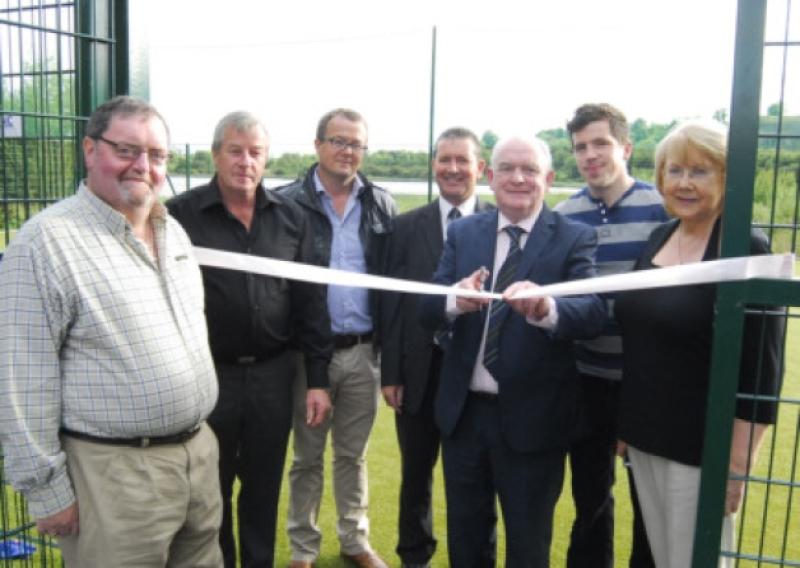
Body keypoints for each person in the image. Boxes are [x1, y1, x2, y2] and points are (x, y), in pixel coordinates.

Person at [0, 95, 222, 567]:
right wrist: (46, 492)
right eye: (126, 150)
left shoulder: (174, 232)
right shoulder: (45, 243)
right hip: (114, 477)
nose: (143, 166)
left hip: (197, 462)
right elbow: (19, 380)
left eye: (157, 155)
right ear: (89, 149)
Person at [419, 135, 606, 567]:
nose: (518, 178)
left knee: (528, 545)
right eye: (507, 168)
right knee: (466, 543)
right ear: (490, 175)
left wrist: (547, 309)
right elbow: (426, 307)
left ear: (550, 179)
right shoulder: (464, 232)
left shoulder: (574, 238)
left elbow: (593, 312)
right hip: (464, 418)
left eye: (530, 170)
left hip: (534, 423)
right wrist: (453, 300)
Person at [166, 111, 332, 568]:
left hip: (272, 376)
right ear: (216, 154)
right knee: (209, 490)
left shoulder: (292, 219)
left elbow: (311, 304)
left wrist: (318, 379)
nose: (245, 161)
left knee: (262, 487)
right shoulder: (179, 216)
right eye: (235, 150)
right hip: (207, 376)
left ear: (266, 159)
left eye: (255, 152)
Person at [615, 120, 783, 568]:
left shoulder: (746, 248)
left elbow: (761, 371)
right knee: (659, 558)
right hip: (644, 440)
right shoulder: (658, 239)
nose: (684, 183)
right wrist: (628, 427)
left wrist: (738, 463)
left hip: (700, 450)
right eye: (675, 170)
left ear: (728, 177)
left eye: (701, 171)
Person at [277, 108, 397, 568]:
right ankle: (303, 549)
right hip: (310, 358)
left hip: (365, 352)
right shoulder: (287, 203)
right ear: (317, 145)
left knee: (354, 456)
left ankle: (355, 541)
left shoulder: (382, 205)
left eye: (356, 144)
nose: (347, 151)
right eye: (338, 141)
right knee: (306, 459)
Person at [554, 103, 666, 568]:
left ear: (626, 147)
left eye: (600, 143)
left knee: (650, 504)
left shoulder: (663, 207)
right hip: (586, 379)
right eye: (581, 147)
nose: (590, 155)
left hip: (650, 383)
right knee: (591, 499)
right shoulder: (563, 215)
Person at [380, 127, 494, 568]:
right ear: (433, 165)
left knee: (476, 480)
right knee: (415, 476)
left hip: (476, 378)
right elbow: (391, 303)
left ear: (479, 168)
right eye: (444, 159)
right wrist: (391, 372)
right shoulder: (405, 227)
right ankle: (414, 556)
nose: (452, 168)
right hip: (418, 374)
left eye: (462, 160)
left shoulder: (497, 223)